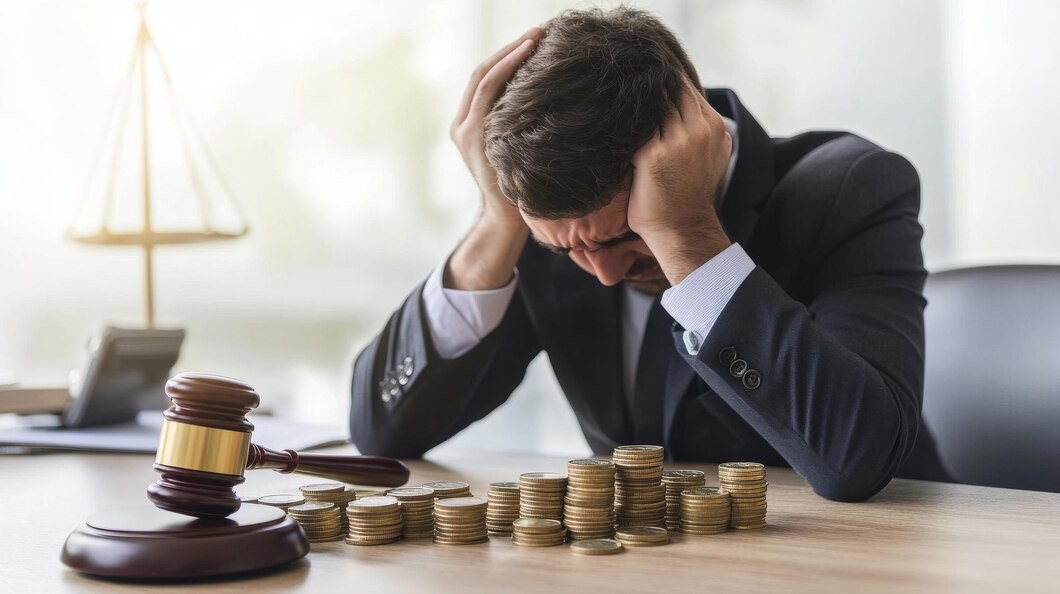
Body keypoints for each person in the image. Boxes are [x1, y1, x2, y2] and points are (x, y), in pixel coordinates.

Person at [349, 7, 949, 501]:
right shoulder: (549, 222)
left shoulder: (852, 189)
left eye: (622, 237)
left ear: (690, 142)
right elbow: (384, 433)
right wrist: (497, 218)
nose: (605, 274)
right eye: (567, 248)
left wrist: (686, 233)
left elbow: (857, 460)